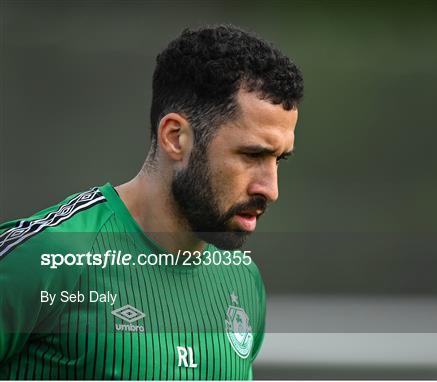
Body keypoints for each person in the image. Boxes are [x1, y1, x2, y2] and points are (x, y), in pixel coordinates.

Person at [0, 24, 303, 380]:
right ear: (175, 137)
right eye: (252, 155)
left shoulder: (242, 281)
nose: (271, 188)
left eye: (278, 160)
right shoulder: (48, 258)